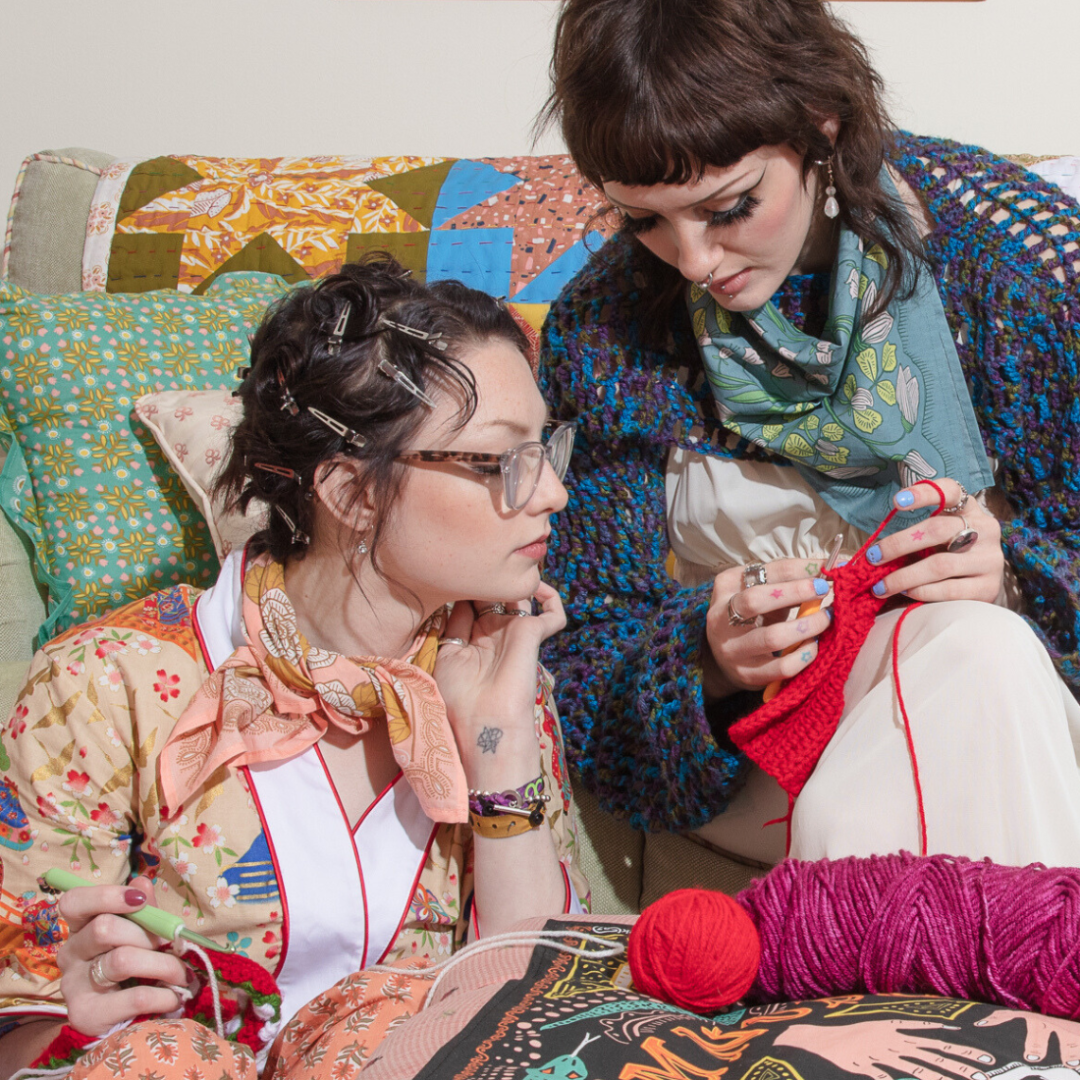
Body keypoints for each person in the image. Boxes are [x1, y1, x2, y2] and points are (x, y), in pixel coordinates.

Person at [0, 255, 588, 1078]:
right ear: (352, 494)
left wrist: (500, 743)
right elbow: (21, 1016)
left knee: (400, 1015)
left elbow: (538, 1013)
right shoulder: (104, 684)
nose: (554, 493)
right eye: (500, 462)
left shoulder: (499, 674)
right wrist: (74, 1022)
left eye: (547, 447)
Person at [536, 0, 1080, 865]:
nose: (694, 261)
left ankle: (854, 970)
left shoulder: (1009, 263)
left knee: (976, 651)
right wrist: (707, 657)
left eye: (730, 206)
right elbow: (582, 666)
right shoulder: (602, 334)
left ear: (819, 127)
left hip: (1019, 730)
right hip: (766, 778)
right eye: (644, 219)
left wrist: (1015, 580)